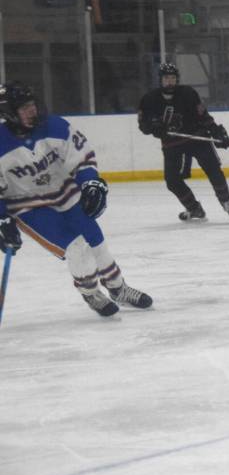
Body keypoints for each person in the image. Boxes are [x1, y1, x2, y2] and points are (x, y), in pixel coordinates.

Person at [0, 83, 152, 317]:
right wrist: (2, 219)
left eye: (32, 105)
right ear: (9, 113)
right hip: (28, 206)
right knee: (77, 247)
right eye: (24, 108)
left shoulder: (54, 126)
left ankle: (118, 288)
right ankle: (90, 292)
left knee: (96, 241)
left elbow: (81, 158)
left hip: (66, 194)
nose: (32, 111)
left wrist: (90, 183)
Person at [137, 62, 229, 221]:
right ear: (160, 80)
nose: (169, 81)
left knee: (213, 168)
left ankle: (226, 202)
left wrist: (216, 132)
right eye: (166, 78)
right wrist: (154, 128)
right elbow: (143, 126)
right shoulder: (149, 99)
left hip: (197, 137)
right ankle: (194, 208)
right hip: (172, 144)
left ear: (177, 79)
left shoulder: (188, 93)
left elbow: (203, 116)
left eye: (172, 78)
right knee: (171, 181)